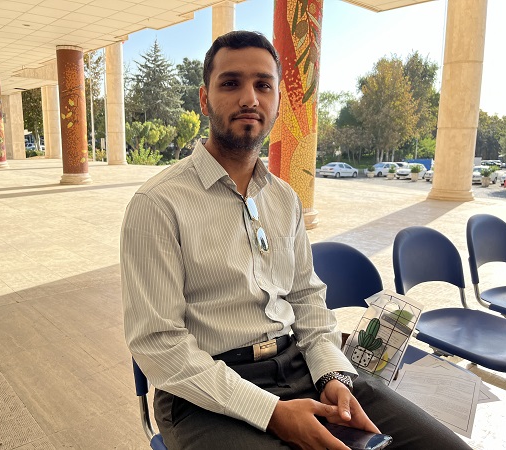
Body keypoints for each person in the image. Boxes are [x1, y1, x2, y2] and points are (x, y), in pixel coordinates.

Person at [121, 31, 471, 450]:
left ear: (277, 102)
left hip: (300, 366)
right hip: (203, 394)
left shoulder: (284, 198)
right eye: (230, 83)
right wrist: (271, 412)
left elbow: (306, 298)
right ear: (204, 99)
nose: (249, 98)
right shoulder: (158, 204)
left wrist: (333, 375)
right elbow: (159, 344)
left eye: (263, 85)